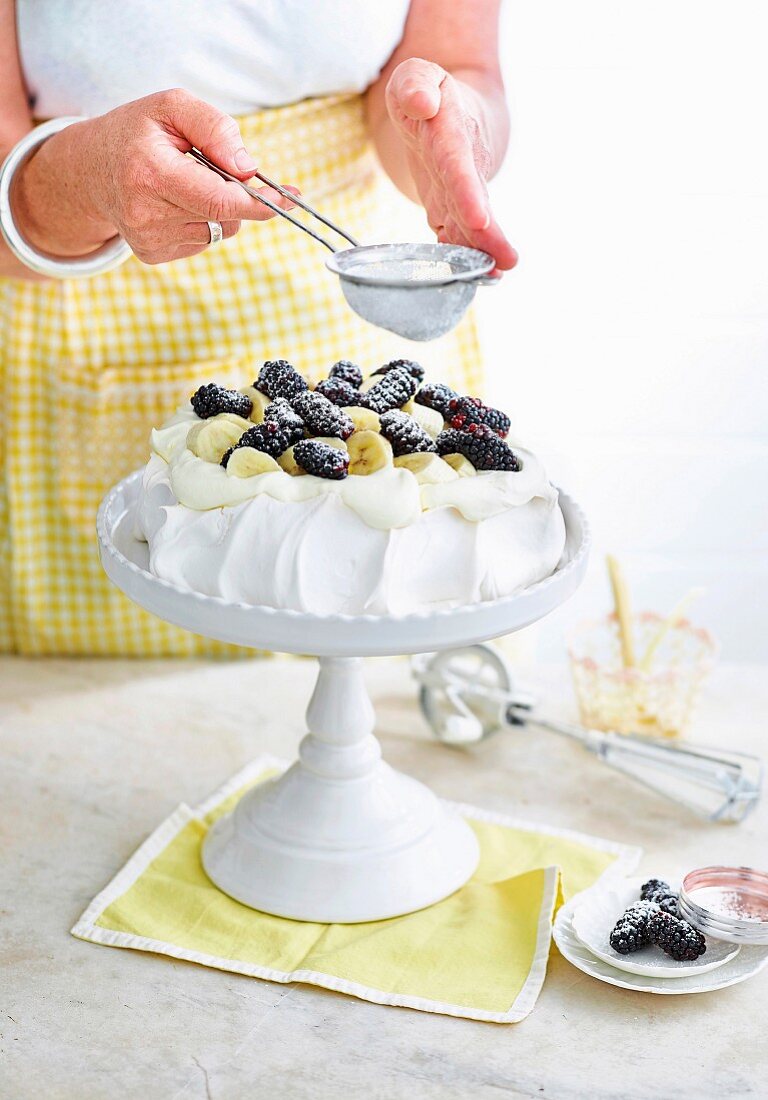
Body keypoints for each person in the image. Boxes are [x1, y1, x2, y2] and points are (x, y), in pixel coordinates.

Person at [0, 0, 516, 656]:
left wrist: (457, 125)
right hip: (82, 300)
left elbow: (463, 63)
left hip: (353, 315)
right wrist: (85, 184)